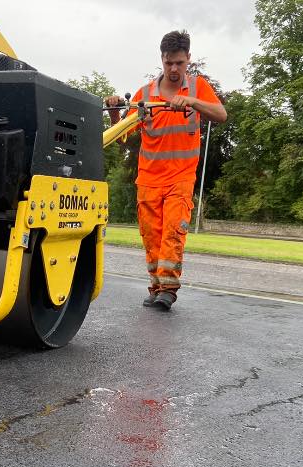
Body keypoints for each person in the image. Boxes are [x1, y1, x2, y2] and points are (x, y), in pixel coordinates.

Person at [105, 30, 226, 310]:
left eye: (180, 63)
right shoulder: (145, 95)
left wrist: (193, 102)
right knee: (152, 236)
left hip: (181, 178)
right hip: (148, 179)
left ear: (188, 60)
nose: (174, 69)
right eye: (169, 62)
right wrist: (114, 110)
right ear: (162, 59)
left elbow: (221, 115)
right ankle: (156, 286)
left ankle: (168, 289)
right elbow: (121, 135)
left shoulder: (197, 88)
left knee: (172, 233)